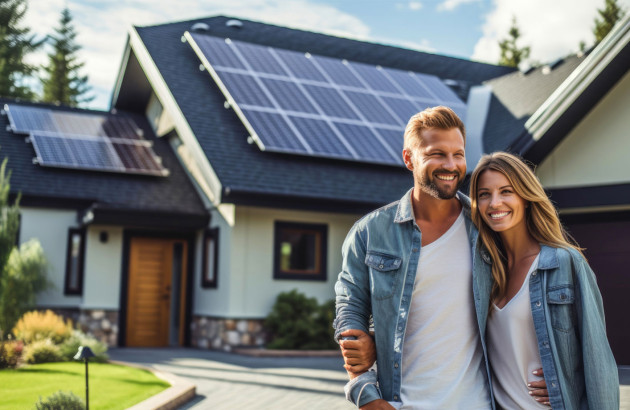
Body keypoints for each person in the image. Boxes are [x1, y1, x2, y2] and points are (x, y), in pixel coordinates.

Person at [333, 107, 544, 409]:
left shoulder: (487, 226)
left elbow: (527, 299)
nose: (451, 165)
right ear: (409, 158)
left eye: (458, 154)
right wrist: (365, 393)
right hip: (399, 403)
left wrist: (556, 371)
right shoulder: (371, 232)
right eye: (437, 154)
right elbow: (349, 305)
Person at [468, 152, 619, 409]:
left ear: (526, 198)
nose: (494, 203)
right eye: (484, 194)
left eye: (506, 191)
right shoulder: (484, 272)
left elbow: (598, 363)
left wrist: (565, 381)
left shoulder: (565, 263)